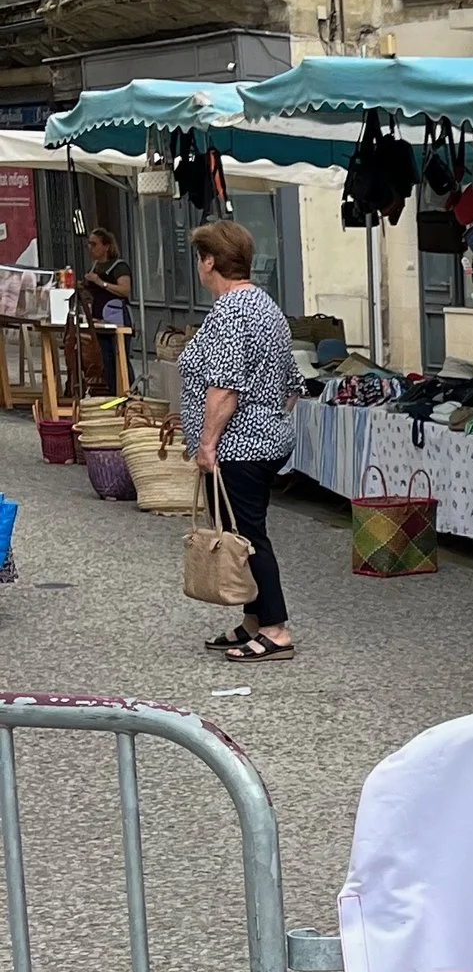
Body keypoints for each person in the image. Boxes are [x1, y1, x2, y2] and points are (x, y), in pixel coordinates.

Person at [180, 217, 300, 664]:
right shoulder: (265, 306)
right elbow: (292, 383)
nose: (198, 265)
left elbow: (225, 388)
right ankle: (254, 620)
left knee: (248, 536)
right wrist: (267, 416)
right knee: (239, 533)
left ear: (210, 261)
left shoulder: (231, 311)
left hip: (239, 446)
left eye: (200, 257)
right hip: (262, 439)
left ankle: (275, 630)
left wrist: (208, 443)